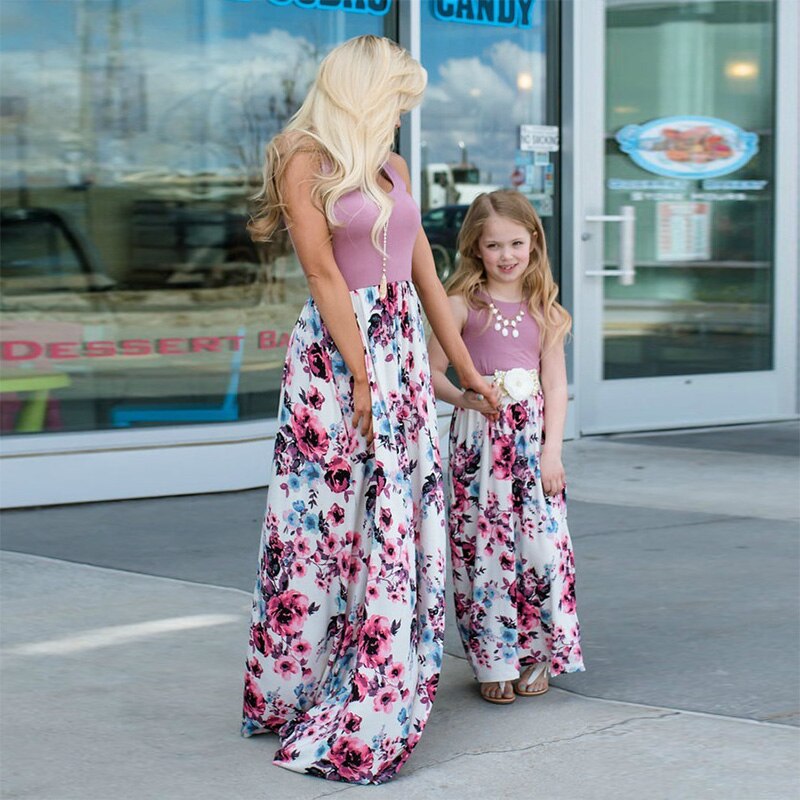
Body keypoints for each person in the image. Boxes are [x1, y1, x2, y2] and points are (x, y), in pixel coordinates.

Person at [240, 35, 497, 784]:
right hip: (337, 354)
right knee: (323, 517)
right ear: (362, 90)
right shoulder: (304, 156)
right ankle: (299, 683)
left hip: (398, 351)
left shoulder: (392, 165)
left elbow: (423, 274)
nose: (400, 111)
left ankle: (377, 667)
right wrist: (360, 375)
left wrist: (469, 369)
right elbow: (321, 270)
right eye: (395, 97)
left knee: (393, 513)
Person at [428, 190, 584, 705]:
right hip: (481, 446)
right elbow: (431, 373)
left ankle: (537, 652)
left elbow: (556, 385)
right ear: (476, 248)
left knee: (541, 551)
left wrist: (552, 451)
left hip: (532, 444)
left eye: (517, 242)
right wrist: (466, 397)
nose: (507, 255)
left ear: (534, 243)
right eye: (494, 245)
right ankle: (493, 658)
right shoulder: (461, 305)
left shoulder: (546, 310)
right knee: (485, 551)